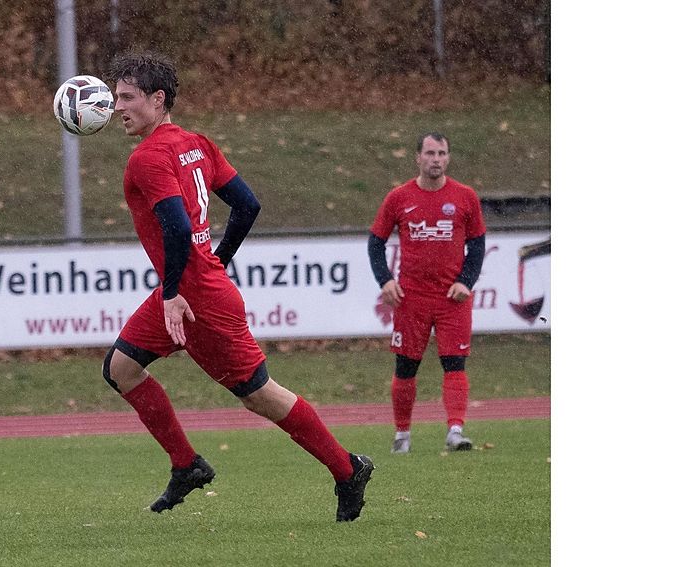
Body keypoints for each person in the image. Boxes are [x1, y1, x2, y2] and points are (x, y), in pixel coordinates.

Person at [101, 52, 373, 521]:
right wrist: (215, 262)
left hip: (194, 299)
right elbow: (247, 205)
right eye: (114, 97)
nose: (117, 107)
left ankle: (347, 469)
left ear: (158, 99)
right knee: (121, 368)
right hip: (193, 287)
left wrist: (172, 292)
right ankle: (186, 465)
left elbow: (177, 227)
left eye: (127, 97)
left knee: (259, 394)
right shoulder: (197, 144)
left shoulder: (148, 157)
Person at [367, 132, 487, 454]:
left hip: (452, 299)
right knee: (406, 367)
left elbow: (477, 245)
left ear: (448, 158)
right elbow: (375, 242)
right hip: (412, 299)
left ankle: (455, 431)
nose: (436, 159)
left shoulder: (465, 197)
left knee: (455, 363)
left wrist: (467, 280)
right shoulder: (398, 198)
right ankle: (402, 436)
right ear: (417, 157)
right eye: (430, 153)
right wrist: (385, 280)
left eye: (442, 153)